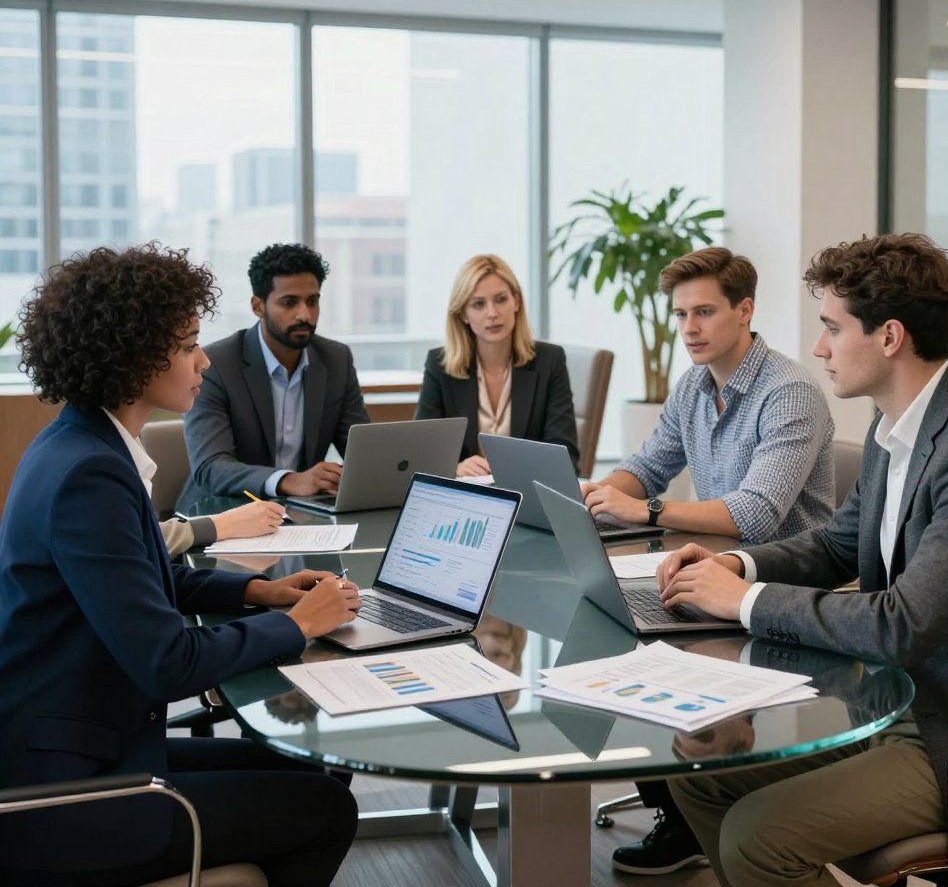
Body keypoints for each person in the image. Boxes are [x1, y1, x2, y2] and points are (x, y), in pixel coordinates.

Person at [656, 233, 948, 887]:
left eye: (831, 327)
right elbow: (834, 546)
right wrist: (736, 570)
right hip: (897, 708)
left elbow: (903, 622)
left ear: (889, 337)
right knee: (700, 781)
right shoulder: (897, 424)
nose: (819, 347)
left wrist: (742, 603)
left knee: (755, 837)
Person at [0, 244, 362, 887]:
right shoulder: (90, 473)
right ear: (133, 355)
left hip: (86, 740)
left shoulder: (83, 444)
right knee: (328, 806)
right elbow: (168, 661)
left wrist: (263, 591)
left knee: (308, 769)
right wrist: (301, 626)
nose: (204, 360)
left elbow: (144, 579)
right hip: (64, 792)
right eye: (189, 344)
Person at [581, 247, 835, 876]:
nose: (689, 329)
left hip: (775, 586)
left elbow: (755, 515)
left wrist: (644, 512)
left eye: (704, 312)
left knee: (631, 656)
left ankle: (686, 815)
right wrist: (598, 494)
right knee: (602, 633)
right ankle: (683, 811)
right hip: (705, 573)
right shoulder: (695, 386)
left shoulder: (790, 393)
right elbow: (647, 467)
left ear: (744, 310)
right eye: (681, 315)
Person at [177, 242, 369, 510]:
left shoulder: (336, 359)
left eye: (312, 301)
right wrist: (288, 480)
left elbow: (363, 450)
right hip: (222, 514)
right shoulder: (217, 364)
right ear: (258, 306)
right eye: (289, 302)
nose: (305, 314)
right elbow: (211, 468)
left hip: (302, 514)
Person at [415, 254, 579, 476]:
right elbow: (423, 453)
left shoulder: (549, 360)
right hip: (465, 495)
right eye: (478, 304)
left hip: (526, 493)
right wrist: (455, 468)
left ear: (516, 302)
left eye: (501, 299)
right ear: (463, 313)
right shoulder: (439, 366)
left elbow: (565, 454)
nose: (492, 313)